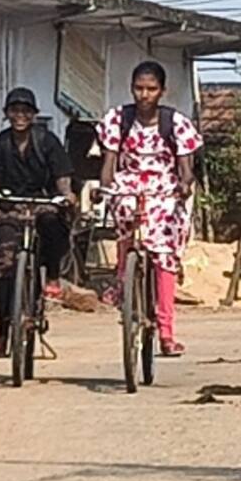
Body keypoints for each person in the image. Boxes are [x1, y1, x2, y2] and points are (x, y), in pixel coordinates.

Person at [98, 60, 203, 357]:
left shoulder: (177, 123)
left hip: (165, 190)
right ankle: (123, 279)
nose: (144, 95)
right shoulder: (117, 120)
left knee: (163, 255)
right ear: (132, 89)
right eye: (139, 88)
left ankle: (167, 331)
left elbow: (186, 168)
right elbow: (109, 163)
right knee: (124, 216)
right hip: (128, 185)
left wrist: (184, 186)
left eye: (151, 89)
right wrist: (105, 188)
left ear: (162, 91)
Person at [0, 87, 75, 359]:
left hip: (42, 202)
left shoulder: (47, 141)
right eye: (15, 111)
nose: (20, 116)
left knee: (53, 225)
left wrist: (65, 194)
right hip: (11, 206)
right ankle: (1, 337)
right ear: (7, 114)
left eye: (25, 111)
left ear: (34, 114)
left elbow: (62, 176)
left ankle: (53, 275)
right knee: (5, 267)